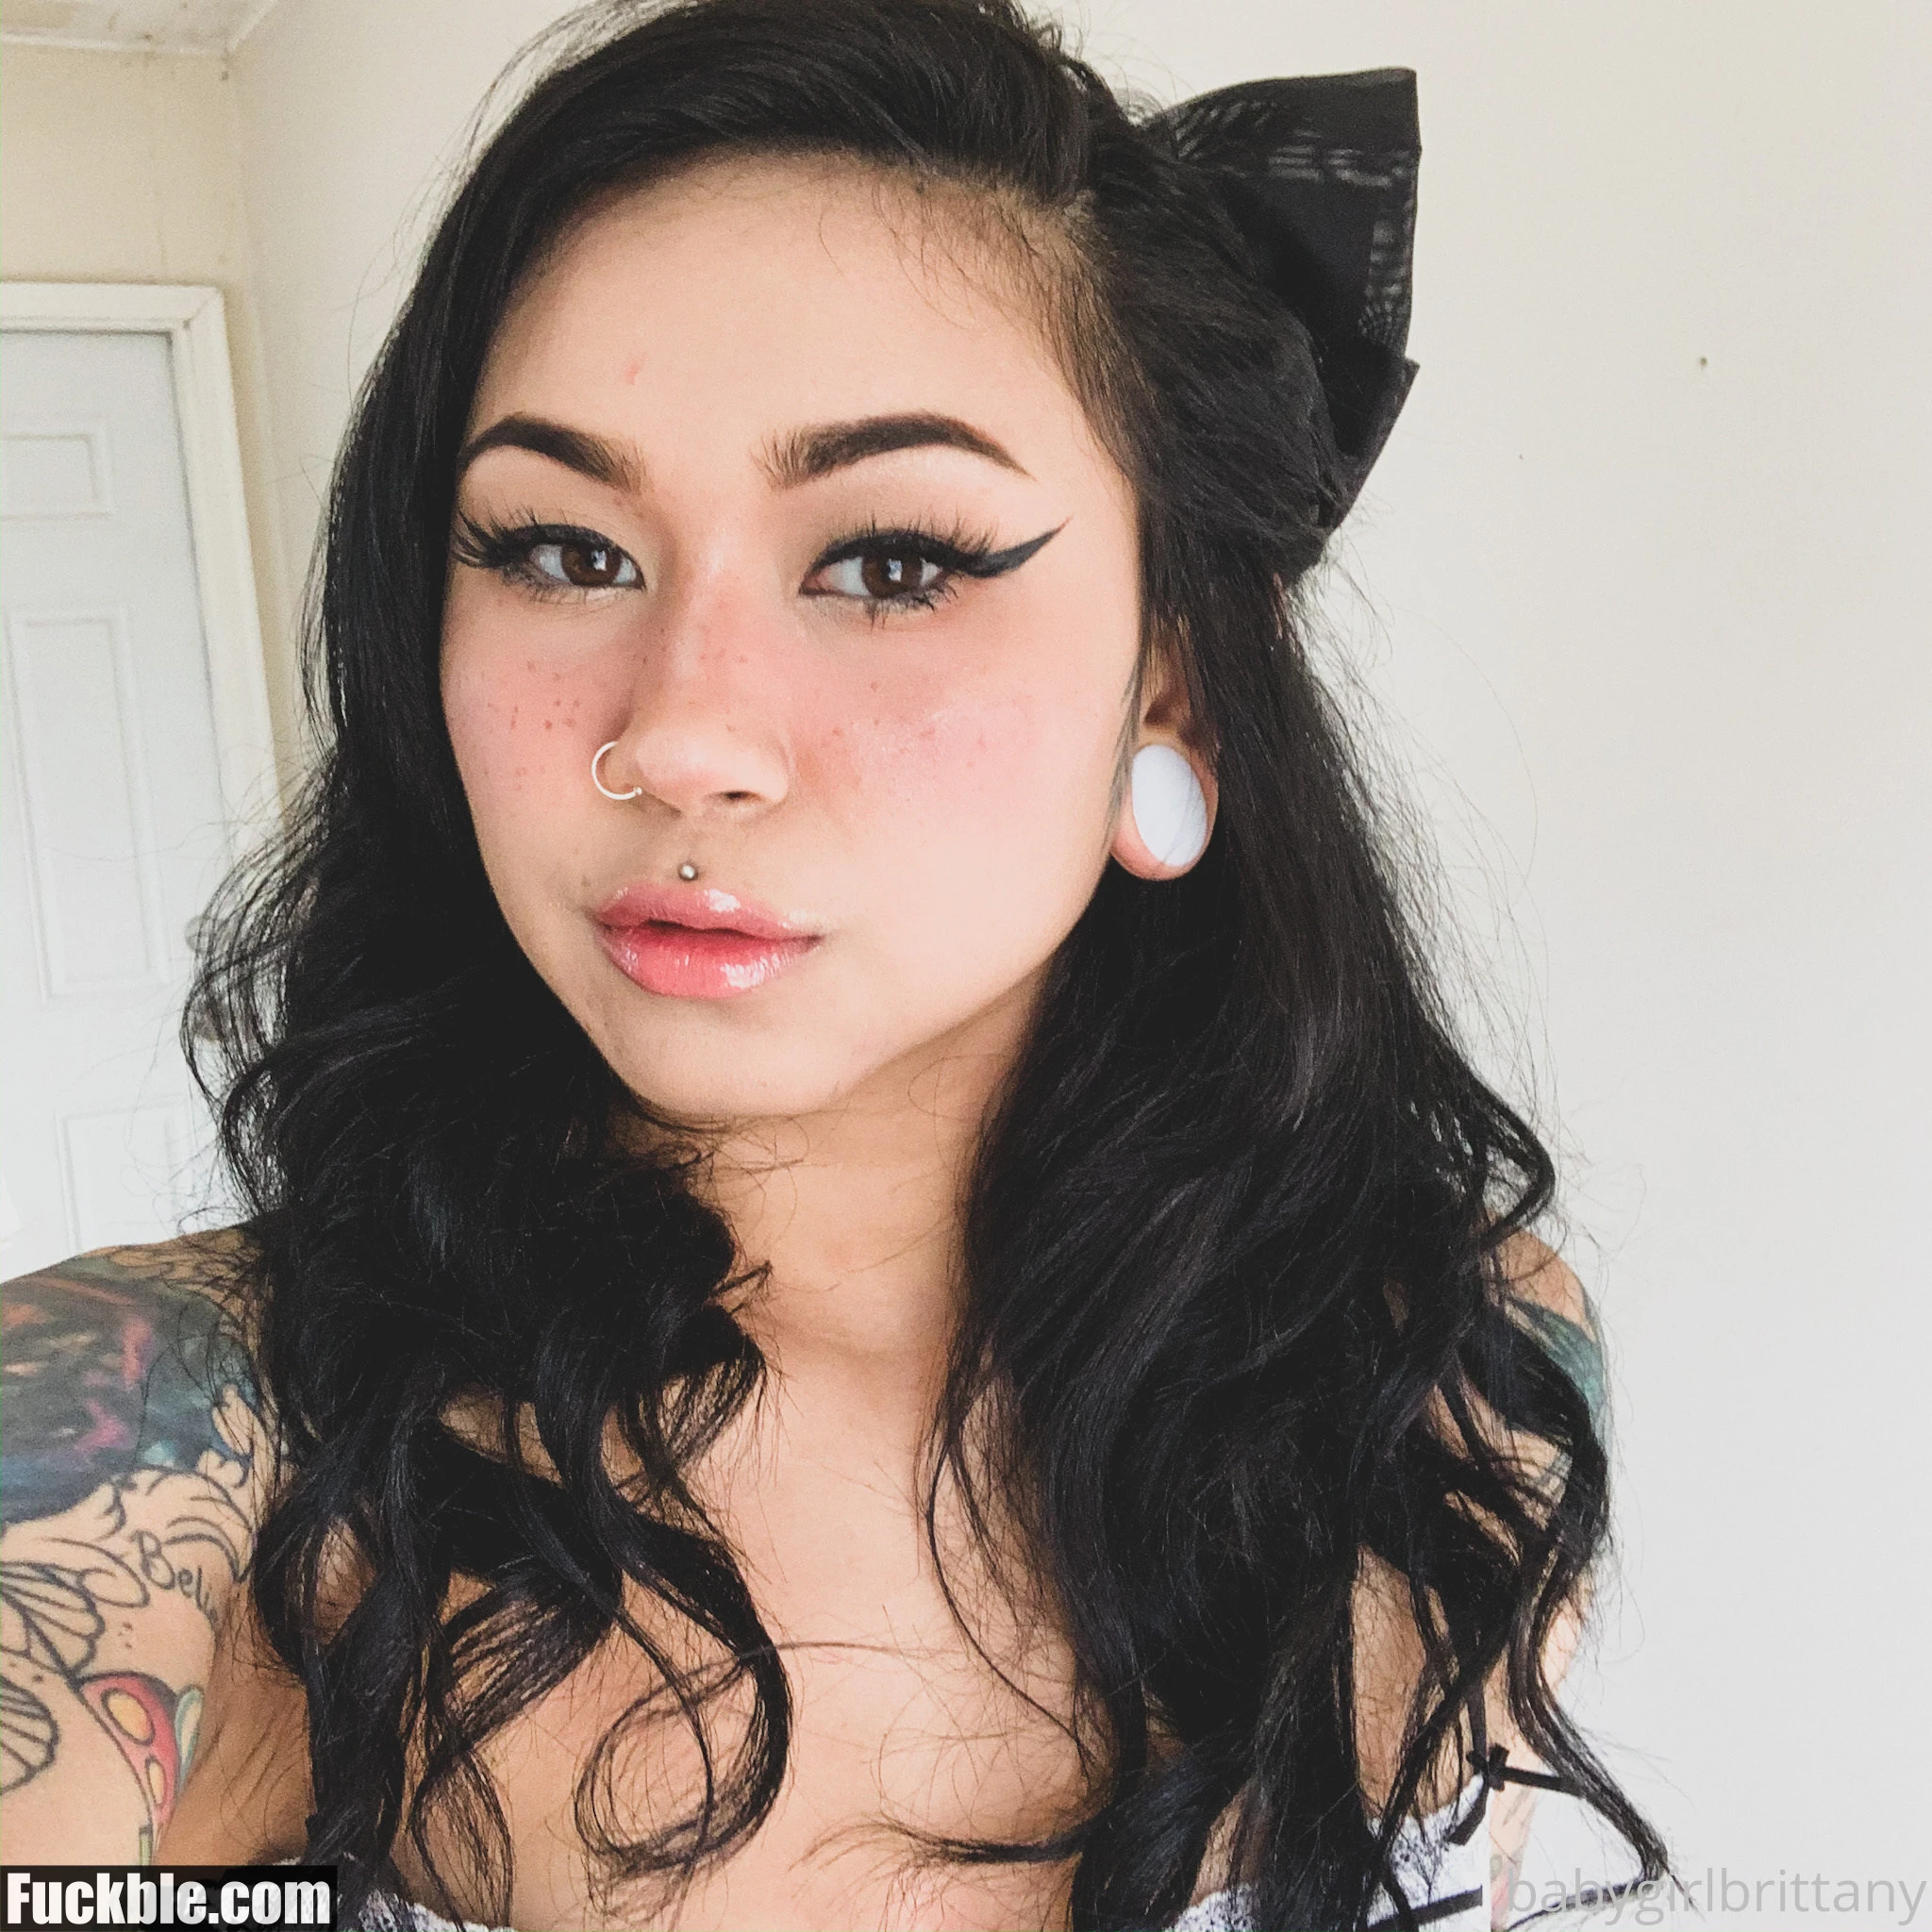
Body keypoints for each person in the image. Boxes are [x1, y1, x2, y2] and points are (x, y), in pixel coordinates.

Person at [0, 0, 1668, 1924]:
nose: (681, 734)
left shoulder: (1458, 1372)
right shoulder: (157, 1456)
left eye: (889, 561)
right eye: (561, 549)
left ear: (1175, 682)